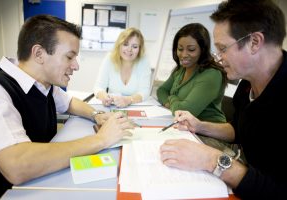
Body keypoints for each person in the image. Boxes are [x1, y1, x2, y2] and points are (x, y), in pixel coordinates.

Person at [0, 15, 134, 199]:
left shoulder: (43, 84)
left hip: (43, 180)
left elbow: (69, 102)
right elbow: (16, 165)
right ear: (39, 54)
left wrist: (96, 115)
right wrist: (101, 139)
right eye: (69, 57)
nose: (76, 66)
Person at [160, 0, 286, 199]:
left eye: (223, 48)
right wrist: (199, 126)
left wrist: (212, 160)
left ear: (254, 42)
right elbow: (238, 129)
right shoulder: (246, 83)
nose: (218, 58)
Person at [156, 23, 227, 123]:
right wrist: (173, 105)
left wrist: (171, 98)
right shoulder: (181, 68)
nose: (184, 55)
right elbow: (161, 90)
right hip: (183, 125)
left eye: (191, 49)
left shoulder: (212, 74)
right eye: (180, 49)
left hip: (208, 133)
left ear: (202, 50)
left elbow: (185, 111)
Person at [93, 27, 152, 108]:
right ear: (119, 45)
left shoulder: (143, 61)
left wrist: (128, 100)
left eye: (134, 46)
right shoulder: (109, 58)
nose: (129, 50)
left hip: (135, 106)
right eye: (125, 44)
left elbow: (145, 91)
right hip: (113, 106)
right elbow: (98, 87)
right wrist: (104, 97)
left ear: (140, 49)